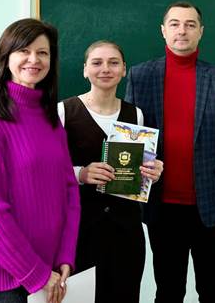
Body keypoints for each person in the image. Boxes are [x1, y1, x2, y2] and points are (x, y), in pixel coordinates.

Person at [125, 1, 215, 303]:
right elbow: (130, 141)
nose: (182, 30)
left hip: (212, 208)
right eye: (175, 24)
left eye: (190, 24)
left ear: (201, 31)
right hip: (162, 209)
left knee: (213, 292)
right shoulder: (140, 76)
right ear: (163, 31)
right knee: (168, 292)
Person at [0, 18, 80, 303]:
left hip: (53, 273)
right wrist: (36, 273)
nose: (34, 59)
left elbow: (69, 191)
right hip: (3, 283)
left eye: (43, 52)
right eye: (24, 51)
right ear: (6, 57)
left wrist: (66, 256)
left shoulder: (51, 119)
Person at [58, 40, 163, 303]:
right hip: (80, 231)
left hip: (126, 231)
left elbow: (139, 171)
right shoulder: (64, 111)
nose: (105, 69)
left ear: (124, 70)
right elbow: (46, 172)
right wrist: (80, 174)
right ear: (85, 70)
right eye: (97, 63)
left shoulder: (135, 114)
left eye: (113, 63)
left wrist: (152, 171)